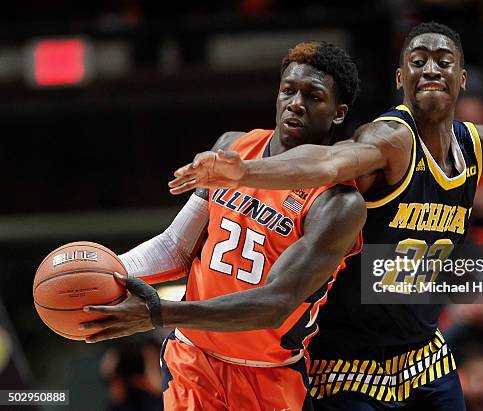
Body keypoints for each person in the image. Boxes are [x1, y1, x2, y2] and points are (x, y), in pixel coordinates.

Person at [169, 21, 483, 410]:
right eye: (417, 60)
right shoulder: (388, 139)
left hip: (424, 355)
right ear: (400, 78)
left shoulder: (476, 146)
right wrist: (245, 171)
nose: (431, 68)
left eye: (444, 62)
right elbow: (329, 163)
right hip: (346, 363)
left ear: (462, 79)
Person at [80, 41, 365, 411]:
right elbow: (177, 247)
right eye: (288, 90)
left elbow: (274, 304)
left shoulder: (337, 202)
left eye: (313, 96)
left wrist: (158, 314)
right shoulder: (234, 148)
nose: (296, 103)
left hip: (269, 374)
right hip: (192, 361)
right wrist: (104, 276)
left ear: (338, 113)